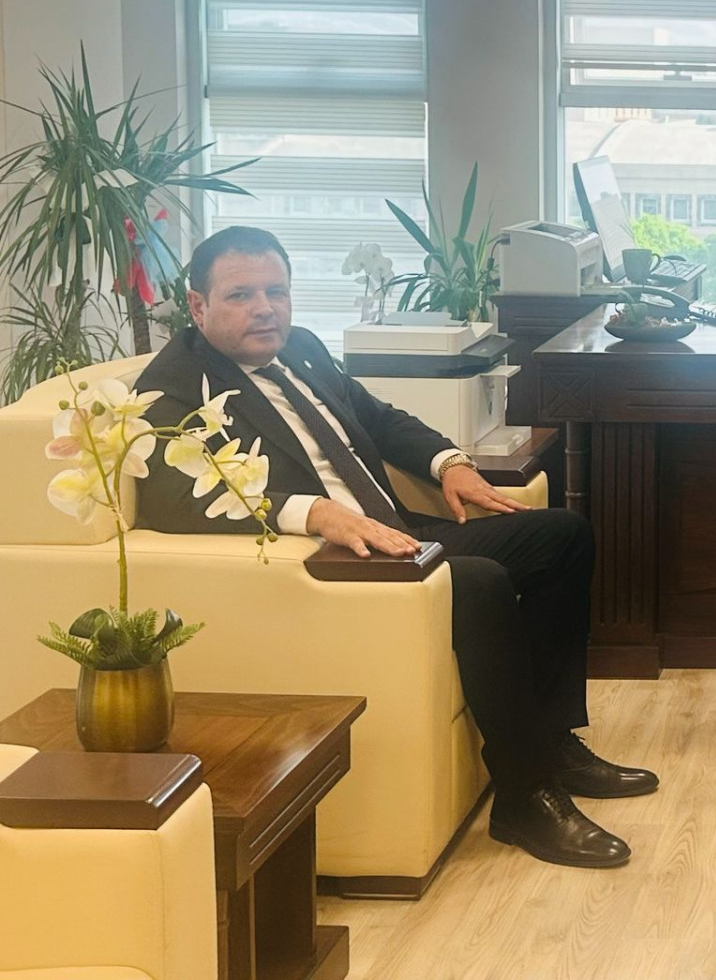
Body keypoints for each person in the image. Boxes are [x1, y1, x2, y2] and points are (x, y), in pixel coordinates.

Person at [134, 226, 659, 870]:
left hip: (400, 531)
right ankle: (525, 796)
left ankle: (553, 742)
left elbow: (379, 419)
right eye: (241, 295)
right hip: (336, 563)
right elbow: (173, 497)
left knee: (562, 534)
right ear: (197, 305)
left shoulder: (299, 348)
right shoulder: (173, 385)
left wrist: (448, 463)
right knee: (479, 580)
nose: (264, 309)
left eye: (277, 291)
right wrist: (312, 512)